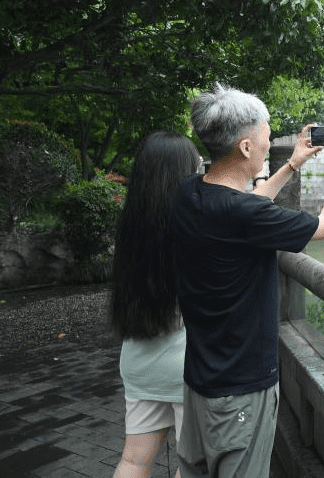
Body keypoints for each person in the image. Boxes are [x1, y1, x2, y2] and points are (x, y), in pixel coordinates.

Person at [168, 83, 324, 478]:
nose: (271, 145)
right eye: (266, 138)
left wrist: (293, 164)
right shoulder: (242, 216)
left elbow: (246, 204)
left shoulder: (189, 193)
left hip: (200, 379)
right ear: (245, 148)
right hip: (241, 390)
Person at [110, 131, 202, 478]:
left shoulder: (131, 225)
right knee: (192, 466)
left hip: (137, 359)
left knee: (134, 460)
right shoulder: (193, 224)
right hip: (184, 366)